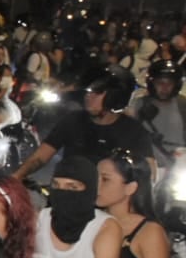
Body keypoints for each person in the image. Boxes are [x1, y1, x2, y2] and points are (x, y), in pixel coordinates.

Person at [14, 64, 154, 181]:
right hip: (67, 193)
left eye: (97, 92)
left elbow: (148, 173)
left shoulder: (135, 132)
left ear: (116, 96)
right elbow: (41, 156)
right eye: (88, 90)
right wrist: (17, 177)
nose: (89, 96)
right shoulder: (72, 120)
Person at [132, 58, 186, 169]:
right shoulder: (138, 104)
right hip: (148, 165)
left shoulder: (183, 105)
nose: (164, 88)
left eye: (169, 83)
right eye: (160, 83)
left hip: (178, 166)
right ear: (152, 83)